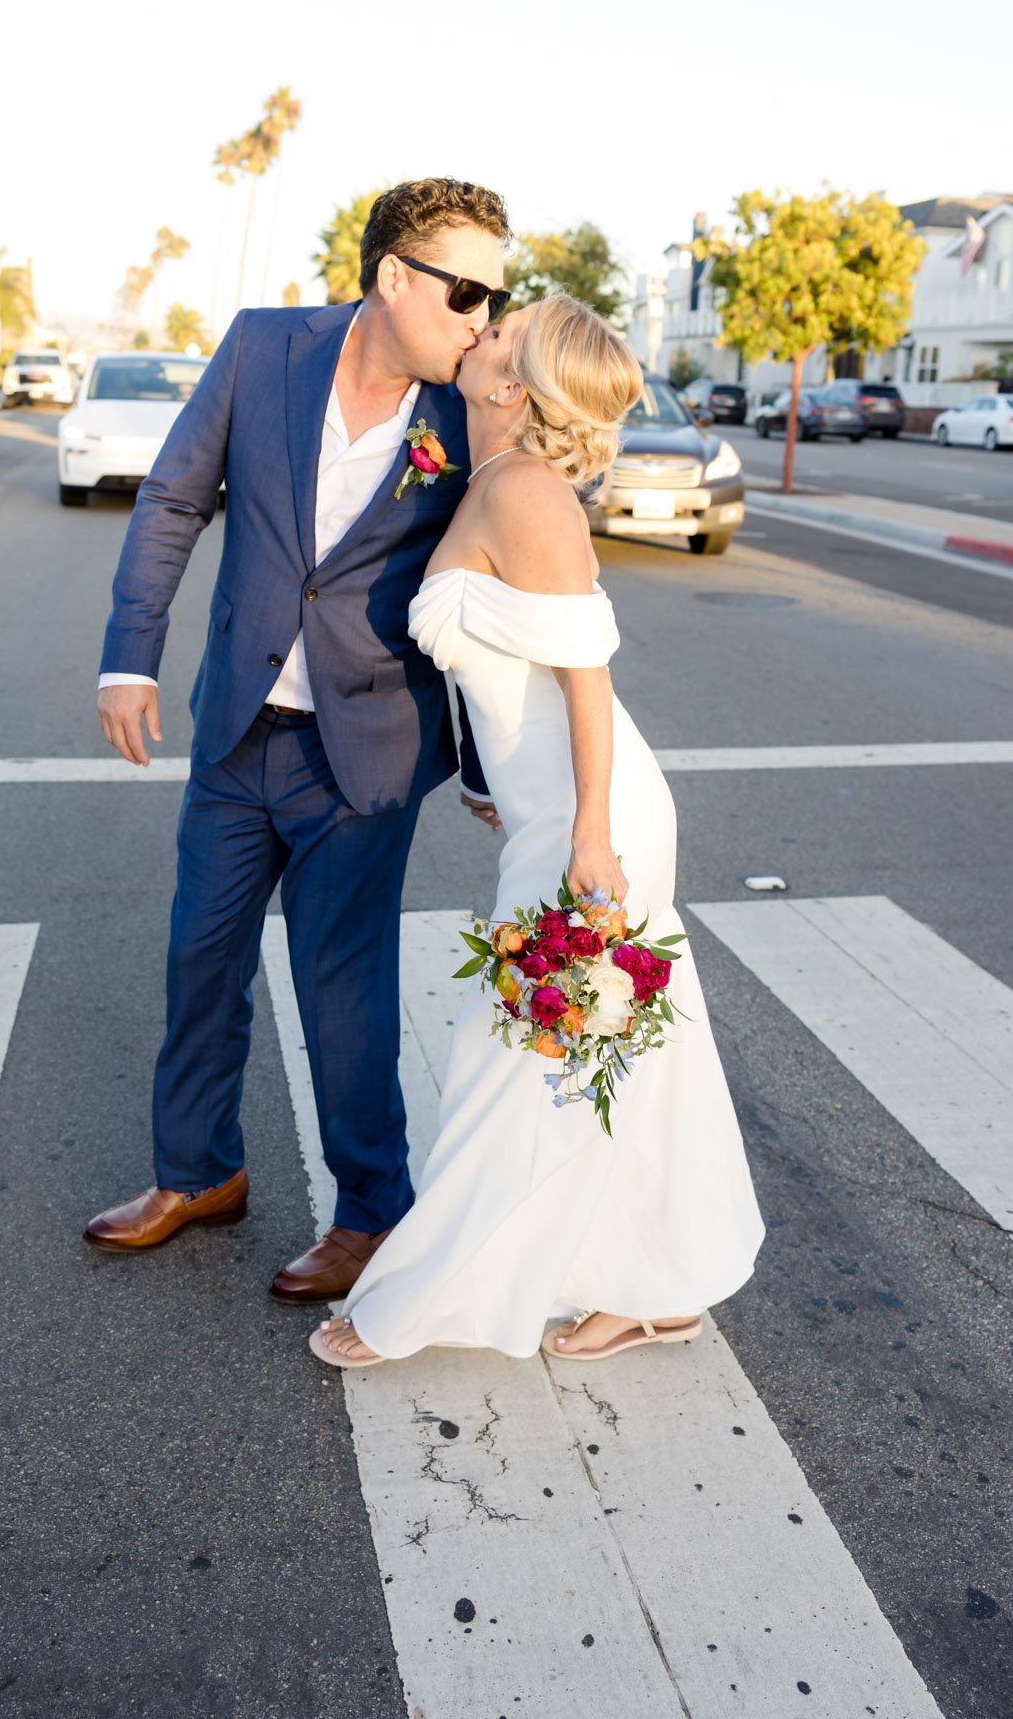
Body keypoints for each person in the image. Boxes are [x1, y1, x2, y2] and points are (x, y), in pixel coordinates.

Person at [312, 295, 765, 1365]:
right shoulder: (493, 480)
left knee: (514, 1053)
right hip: (550, 806)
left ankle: (416, 1304)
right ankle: (661, 1286)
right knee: (628, 1065)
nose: (478, 336)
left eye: (500, 338)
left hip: (589, 820)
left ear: (514, 388)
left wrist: (588, 833)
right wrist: (492, 776)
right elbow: (503, 666)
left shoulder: (525, 493)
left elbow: (589, 679)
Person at [85, 178, 513, 1306]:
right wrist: (131, 656)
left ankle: (372, 1214)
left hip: (366, 750)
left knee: (344, 993)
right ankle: (200, 1172)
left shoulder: (471, 410)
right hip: (237, 729)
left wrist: (487, 761)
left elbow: (506, 579)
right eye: (466, 292)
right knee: (200, 958)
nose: (482, 320)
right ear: (392, 276)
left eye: (496, 299)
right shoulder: (264, 348)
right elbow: (175, 498)